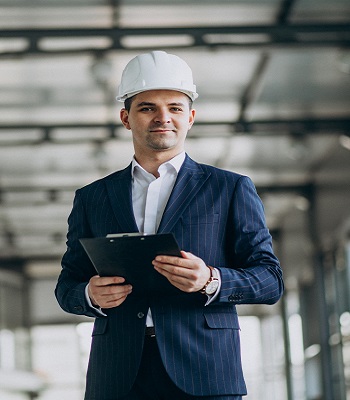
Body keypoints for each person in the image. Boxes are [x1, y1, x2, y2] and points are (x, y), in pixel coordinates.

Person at [55, 50, 284, 400]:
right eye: (147, 107)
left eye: (175, 108)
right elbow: (67, 284)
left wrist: (210, 279)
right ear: (125, 117)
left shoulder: (230, 188)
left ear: (190, 117)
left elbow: (270, 280)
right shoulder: (93, 198)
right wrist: (89, 294)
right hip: (118, 375)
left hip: (205, 370)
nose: (163, 118)